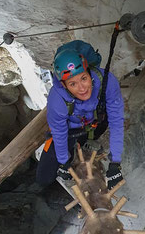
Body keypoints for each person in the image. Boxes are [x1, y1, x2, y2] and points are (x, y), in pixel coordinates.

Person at [36, 45, 124, 189]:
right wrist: (64, 161)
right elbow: (59, 132)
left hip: (96, 123)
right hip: (71, 131)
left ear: (89, 72)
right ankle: (76, 145)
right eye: (73, 84)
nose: (82, 88)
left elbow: (116, 121)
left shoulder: (107, 82)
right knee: (43, 177)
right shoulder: (57, 100)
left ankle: (85, 142)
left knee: (105, 117)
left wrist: (115, 163)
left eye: (84, 78)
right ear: (64, 85)